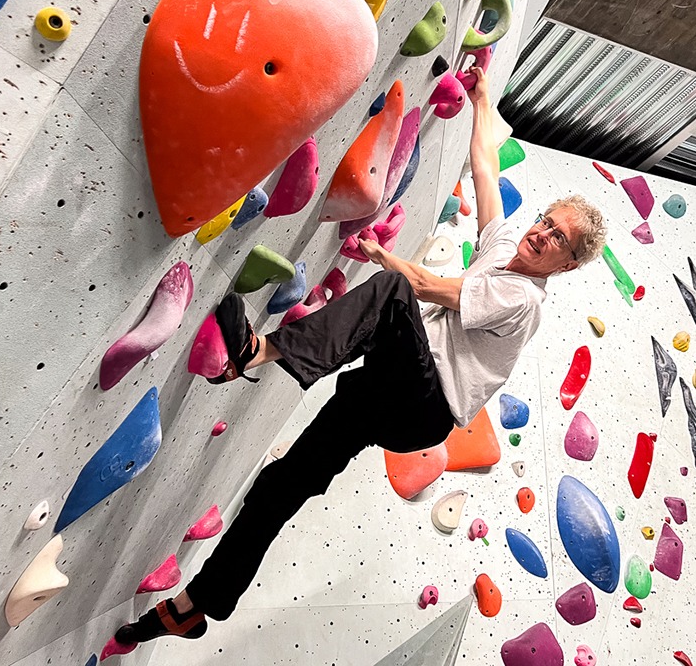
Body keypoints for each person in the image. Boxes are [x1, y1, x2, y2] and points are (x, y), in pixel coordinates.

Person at [113, 67, 607, 647]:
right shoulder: (504, 250)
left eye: (558, 239)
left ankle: (256, 351)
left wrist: (382, 258)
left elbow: (425, 289)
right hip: (386, 387)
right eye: (547, 221)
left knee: (393, 296)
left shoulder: (525, 299)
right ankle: (197, 605)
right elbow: (485, 169)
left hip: (423, 404)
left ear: (567, 265)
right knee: (281, 484)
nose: (543, 233)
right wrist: (480, 101)